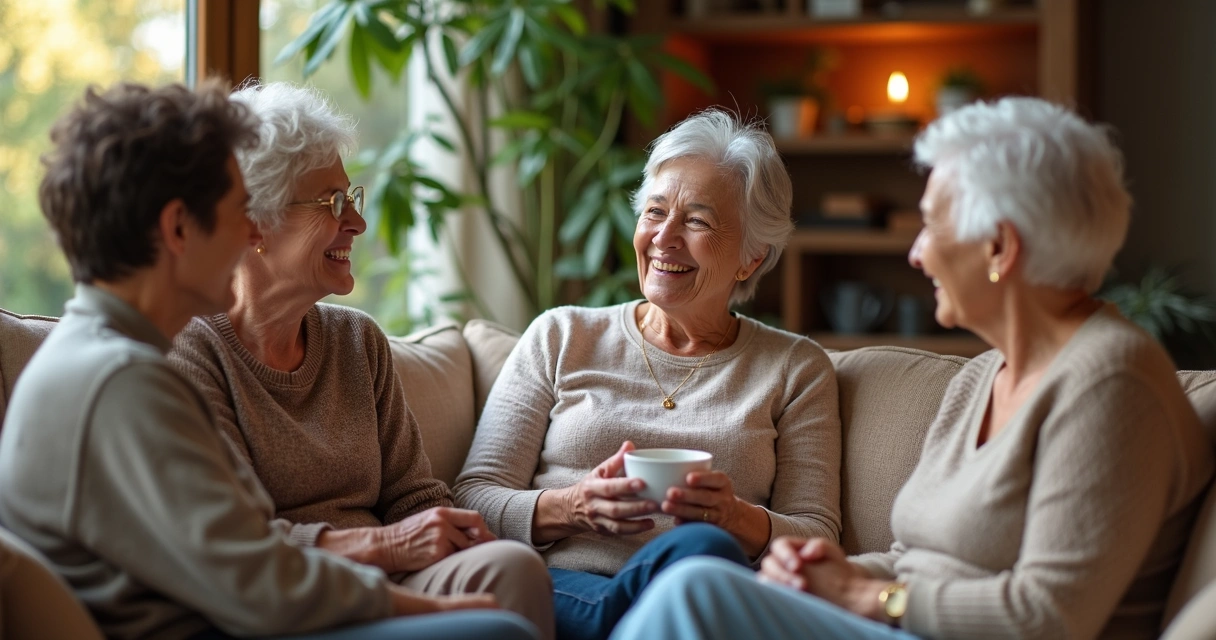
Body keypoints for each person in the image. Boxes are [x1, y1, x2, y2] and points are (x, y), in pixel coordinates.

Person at [608, 97, 1216, 640]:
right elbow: (914, 558)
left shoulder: (1111, 381)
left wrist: (867, 594)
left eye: (932, 225)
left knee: (698, 588)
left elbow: (1048, 617)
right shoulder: (985, 375)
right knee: (710, 586)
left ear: (999, 247)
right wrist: (829, 572)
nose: (916, 253)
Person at [0, 80, 537, 640]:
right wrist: (448, 616)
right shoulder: (123, 382)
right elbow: (263, 588)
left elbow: (250, 567)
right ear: (179, 227)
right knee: (498, 633)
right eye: (238, 211)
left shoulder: (103, 362)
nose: (252, 230)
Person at [167, 82, 553, 640]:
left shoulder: (356, 341)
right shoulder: (192, 350)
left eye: (352, 199)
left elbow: (413, 496)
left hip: (387, 580)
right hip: (288, 601)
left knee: (510, 567)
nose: (357, 223)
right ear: (256, 223)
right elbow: (234, 544)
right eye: (332, 204)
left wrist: (452, 532)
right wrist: (385, 545)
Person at [453, 109, 842, 640]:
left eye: (698, 221)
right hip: (558, 586)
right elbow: (473, 496)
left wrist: (734, 518)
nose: (664, 237)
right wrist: (571, 507)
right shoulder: (562, 336)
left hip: (700, 598)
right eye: (655, 212)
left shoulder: (796, 369)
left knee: (703, 553)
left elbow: (818, 535)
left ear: (751, 258)